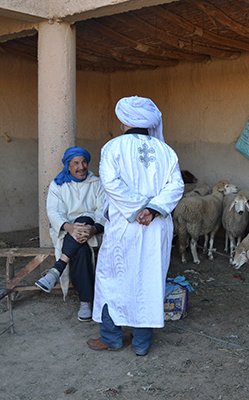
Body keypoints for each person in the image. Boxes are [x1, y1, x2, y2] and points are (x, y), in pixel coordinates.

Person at [86, 96, 184, 356]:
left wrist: (137, 209)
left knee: (112, 280)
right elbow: (176, 186)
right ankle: (141, 344)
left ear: (123, 121)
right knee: (148, 281)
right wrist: (151, 209)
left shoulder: (112, 147)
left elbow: (111, 183)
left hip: (125, 227)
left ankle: (111, 338)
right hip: (156, 226)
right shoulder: (166, 151)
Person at [35, 146, 105, 322]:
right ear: (68, 166)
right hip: (67, 232)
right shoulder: (58, 185)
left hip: (92, 230)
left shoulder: (96, 183)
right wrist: (69, 227)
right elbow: (53, 212)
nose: (81, 167)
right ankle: (86, 302)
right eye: (76, 163)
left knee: (85, 219)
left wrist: (93, 229)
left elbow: (102, 211)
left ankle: (58, 268)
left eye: (84, 162)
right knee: (81, 251)